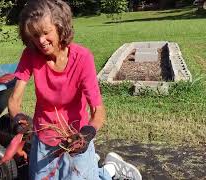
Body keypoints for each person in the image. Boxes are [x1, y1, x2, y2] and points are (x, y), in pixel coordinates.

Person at [8, 0, 142, 179]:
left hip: (75, 140)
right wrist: (18, 117)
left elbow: (98, 110)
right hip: (44, 141)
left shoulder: (82, 58)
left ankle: (108, 170)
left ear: (59, 26)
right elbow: (14, 100)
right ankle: (100, 169)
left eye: (46, 32)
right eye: (34, 34)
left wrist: (88, 133)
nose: (41, 41)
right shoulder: (30, 55)